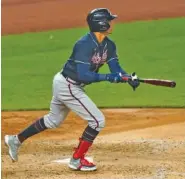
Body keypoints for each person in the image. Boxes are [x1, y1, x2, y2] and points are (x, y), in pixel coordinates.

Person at [4, 8, 140, 171]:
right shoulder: (83, 45)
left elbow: (115, 69)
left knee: (53, 120)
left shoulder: (109, 45)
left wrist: (127, 78)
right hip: (68, 85)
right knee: (97, 121)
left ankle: (15, 140)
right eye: (109, 20)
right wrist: (109, 78)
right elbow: (84, 75)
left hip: (67, 84)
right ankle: (77, 160)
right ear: (101, 24)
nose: (112, 23)